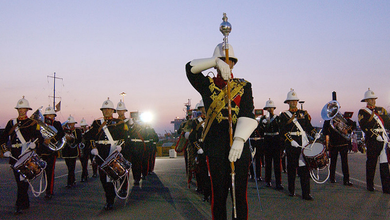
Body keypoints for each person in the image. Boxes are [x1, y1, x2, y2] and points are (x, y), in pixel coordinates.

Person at [186, 42, 258, 219]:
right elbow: (189, 68)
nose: (227, 64)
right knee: (218, 196)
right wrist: (214, 61)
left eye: (229, 61)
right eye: (222, 61)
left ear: (234, 63)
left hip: (238, 147)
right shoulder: (206, 85)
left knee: (239, 196)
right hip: (216, 148)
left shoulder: (244, 86)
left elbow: (248, 113)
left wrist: (240, 140)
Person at [0, 97, 43, 215]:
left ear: (27, 110)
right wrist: (5, 150)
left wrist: (35, 144)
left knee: (23, 180)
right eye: (19, 109)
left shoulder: (32, 123)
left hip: (26, 154)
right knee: (20, 180)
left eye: (23, 109)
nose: (21, 111)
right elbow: (3, 138)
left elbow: (39, 137)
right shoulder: (11, 123)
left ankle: (19, 204)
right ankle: (25, 201)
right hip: (14, 154)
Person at [83, 98, 127, 210]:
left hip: (113, 150)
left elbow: (124, 137)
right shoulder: (97, 123)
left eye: (109, 109)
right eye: (104, 109)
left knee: (113, 175)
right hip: (101, 152)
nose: (106, 111)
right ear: (102, 111)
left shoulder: (119, 123)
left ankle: (111, 197)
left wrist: (120, 146)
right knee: (104, 177)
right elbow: (90, 137)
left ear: (113, 111)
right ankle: (109, 199)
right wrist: (93, 147)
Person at [279, 89, 319, 200]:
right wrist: (290, 140)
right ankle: (291, 190)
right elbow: (282, 130)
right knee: (291, 168)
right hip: (292, 145)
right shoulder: (284, 115)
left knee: (304, 170)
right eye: (291, 101)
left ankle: (306, 193)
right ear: (288, 102)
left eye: (295, 101)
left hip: (303, 143)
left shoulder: (304, 114)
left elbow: (308, 127)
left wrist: (314, 133)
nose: (294, 103)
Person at [358, 88, 390, 193]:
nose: (373, 101)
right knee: (371, 164)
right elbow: (363, 126)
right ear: (366, 100)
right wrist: (374, 135)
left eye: (374, 99)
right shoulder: (363, 112)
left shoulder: (381, 110)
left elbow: (387, 123)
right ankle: (370, 186)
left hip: (383, 139)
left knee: (384, 165)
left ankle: (386, 187)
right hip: (373, 140)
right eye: (371, 99)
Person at [37, 106, 65, 200]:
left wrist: (51, 140)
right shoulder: (40, 124)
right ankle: (45, 189)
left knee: (50, 172)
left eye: (51, 114)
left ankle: (49, 191)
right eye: (47, 114)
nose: (49, 116)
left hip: (51, 151)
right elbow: (37, 135)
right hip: (42, 151)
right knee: (43, 172)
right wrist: (43, 140)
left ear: (54, 115)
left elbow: (61, 133)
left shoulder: (57, 124)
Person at [323, 104, 355, 186]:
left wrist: (347, 130)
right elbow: (324, 132)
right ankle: (332, 178)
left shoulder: (343, 119)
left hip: (343, 143)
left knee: (345, 163)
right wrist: (333, 126)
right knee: (333, 162)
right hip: (333, 144)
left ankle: (346, 180)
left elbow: (353, 125)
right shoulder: (328, 121)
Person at [259, 99, 283, 190]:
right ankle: (268, 181)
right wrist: (263, 126)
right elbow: (260, 132)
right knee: (268, 163)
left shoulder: (277, 118)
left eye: (271, 108)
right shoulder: (263, 119)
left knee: (277, 163)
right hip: (267, 141)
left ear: (274, 108)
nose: (270, 110)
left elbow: (281, 130)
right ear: (266, 109)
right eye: (268, 108)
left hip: (276, 141)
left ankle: (278, 182)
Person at [62, 115, 82, 188]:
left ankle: (69, 182)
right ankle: (72, 180)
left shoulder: (77, 131)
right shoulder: (64, 131)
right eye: (69, 124)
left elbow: (79, 140)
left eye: (71, 123)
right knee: (69, 167)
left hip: (73, 151)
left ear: (74, 123)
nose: (70, 125)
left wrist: (71, 139)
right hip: (66, 151)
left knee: (71, 167)